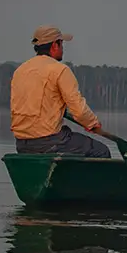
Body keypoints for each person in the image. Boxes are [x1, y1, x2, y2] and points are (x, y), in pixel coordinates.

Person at [9, 25, 111, 158]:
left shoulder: (20, 71)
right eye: (61, 43)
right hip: (49, 141)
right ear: (54, 45)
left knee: (70, 138)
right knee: (101, 151)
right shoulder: (59, 70)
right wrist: (92, 123)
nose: (63, 48)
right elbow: (79, 110)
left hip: (22, 143)